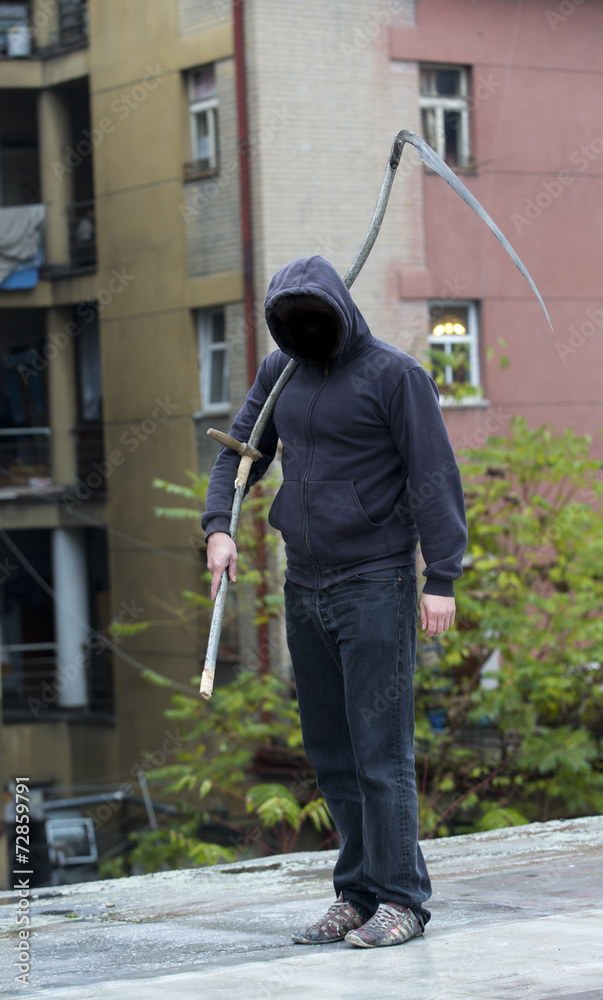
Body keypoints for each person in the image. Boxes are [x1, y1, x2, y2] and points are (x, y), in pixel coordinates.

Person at [201, 255, 468, 949]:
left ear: (341, 315)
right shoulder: (280, 369)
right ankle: (356, 894)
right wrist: (219, 529)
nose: (303, 335)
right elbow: (240, 452)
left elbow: (433, 476)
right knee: (330, 750)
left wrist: (440, 577)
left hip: (375, 582)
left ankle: (401, 901)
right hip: (305, 581)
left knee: (381, 751)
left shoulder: (395, 376)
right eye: (289, 326)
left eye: (313, 323)